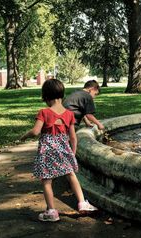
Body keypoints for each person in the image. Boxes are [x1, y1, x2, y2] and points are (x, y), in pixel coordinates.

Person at [20, 79, 97, 222]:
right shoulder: (69, 114)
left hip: (47, 151)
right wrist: (72, 153)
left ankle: (51, 211)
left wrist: (24, 136)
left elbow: (36, 131)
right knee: (71, 174)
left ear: (46, 97)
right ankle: (82, 203)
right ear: (62, 95)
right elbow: (73, 137)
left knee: (47, 180)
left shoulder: (44, 112)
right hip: (64, 149)